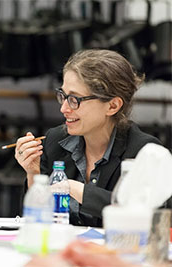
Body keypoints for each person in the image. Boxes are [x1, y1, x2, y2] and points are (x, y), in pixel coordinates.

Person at [15, 49, 162, 227]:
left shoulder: (144, 152)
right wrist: (33, 173)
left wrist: (78, 190)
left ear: (112, 106)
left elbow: (152, 216)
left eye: (75, 99)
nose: (64, 109)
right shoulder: (55, 141)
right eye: (63, 96)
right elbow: (38, 218)